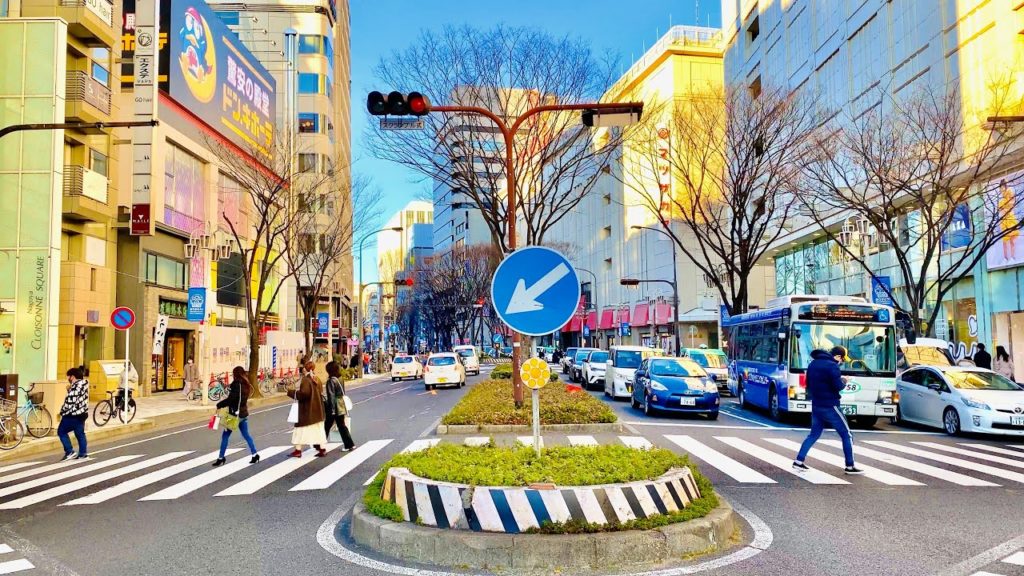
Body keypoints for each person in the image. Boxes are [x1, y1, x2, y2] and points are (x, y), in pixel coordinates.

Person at [793, 346, 864, 475]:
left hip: (816, 404)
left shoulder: (813, 363)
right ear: (837, 356)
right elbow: (838, 386)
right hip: (831, 405)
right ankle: (850, 466)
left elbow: (807, 383)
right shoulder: (832, 366)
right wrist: (844, 380)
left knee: (813, 434)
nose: (841, 362)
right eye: (842, 359)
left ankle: (798, 461)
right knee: (846, 434)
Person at [212, 366, 260, 467]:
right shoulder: (246, 384)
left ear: (235, 374)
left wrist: (219, 404)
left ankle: (221, 458)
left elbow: (231, 400)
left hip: (234, 415)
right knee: (246, 435)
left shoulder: (236, 385)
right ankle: (255, 454)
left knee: (225, 436)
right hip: (243, 413)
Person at [287, 360, 327, 457]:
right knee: (319, 430)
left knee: (300, 430)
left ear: (306, 369)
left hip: (307, 410)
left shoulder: (306, 380)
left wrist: (291, 392)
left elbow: (304, 394)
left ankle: (298, 450)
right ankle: (322, 449)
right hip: (318, 410)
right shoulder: (317, 379)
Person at [58, 367, 90, 461]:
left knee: (61, 431)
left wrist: (62, 411)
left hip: (73, 414)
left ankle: (69, 451)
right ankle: (83, 454)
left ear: (72, 377)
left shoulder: (76, 386)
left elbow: (71, 401)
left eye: (68, 376)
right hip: (82, 413)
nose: (67, 378)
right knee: (80, 434)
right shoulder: (83, 384)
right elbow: (78, 398)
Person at [323, 361, 355, 451]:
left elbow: (331, 396)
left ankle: (319, 445)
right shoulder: (340, 378)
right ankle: (349, 444)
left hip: (334, 406)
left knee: (327, 425)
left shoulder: (331, 381)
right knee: (341, 425)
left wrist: (332, 410)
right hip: (341, 404)